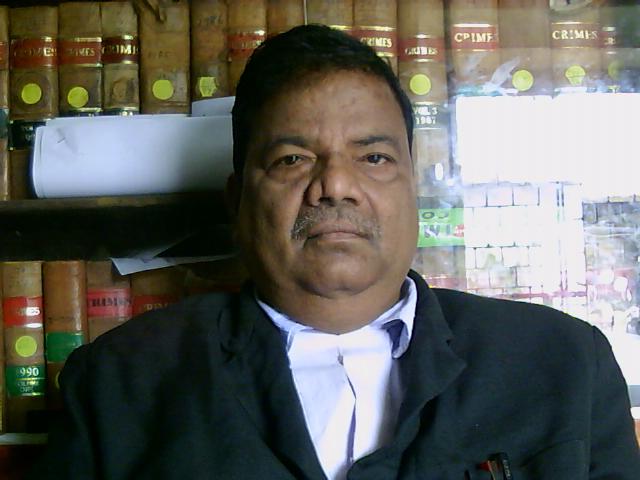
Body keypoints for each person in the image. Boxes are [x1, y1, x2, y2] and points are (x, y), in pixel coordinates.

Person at [32, 25, 639, 479]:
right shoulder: (121, 385)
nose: (336, 185)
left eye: (373, 157)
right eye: (292, 159)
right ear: (238, 200)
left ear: (414, 188)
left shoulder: (564, 365)